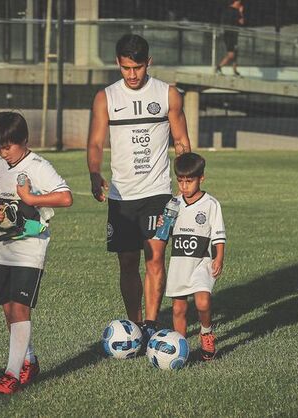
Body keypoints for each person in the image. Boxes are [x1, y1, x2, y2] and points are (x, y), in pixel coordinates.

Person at [87, 34, 191, 346]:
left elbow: (182, 141)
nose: (132, 75)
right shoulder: (106, 98)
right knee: (128, 261)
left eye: (138, 68)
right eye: (125, 68)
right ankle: (133, 325)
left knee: (155, 256)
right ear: (118, 64)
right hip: (121, 196)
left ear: (149, 63)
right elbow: (94, 142)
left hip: (157, 191)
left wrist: (188, 180)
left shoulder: (168, 95)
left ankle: (150, 323)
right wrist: (94, 173)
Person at [0, 111, 72, 394]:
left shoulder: (39, 166)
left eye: (8, 146)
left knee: (20, 308)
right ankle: (29, 361)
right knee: (8, 310)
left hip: (30, 248)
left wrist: (31, 198)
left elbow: (66, 197)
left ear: (24, 140)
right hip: (1, 249)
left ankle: (11, 374)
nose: (3, 152)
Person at [164, 152, 226, 361]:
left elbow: (219, 235)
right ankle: (180, 348)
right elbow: (166, 230)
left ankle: (206, 333)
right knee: (179, 308)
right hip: (179, 262)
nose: (184, 186)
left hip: (202, 261)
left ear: (201, 178)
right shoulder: (174, 203)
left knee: (202, 302)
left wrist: (219, 258)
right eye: (180, 181)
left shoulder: (211, 204)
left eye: (189, 181)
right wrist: (162, 226)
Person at [216, 0, 245, 77]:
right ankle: (218, 67)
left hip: (233, 34)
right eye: (239, 2)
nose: (241, 4)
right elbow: (242, 22)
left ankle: (235, 71)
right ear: (236, 2)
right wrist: (241, 12)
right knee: (231, 54)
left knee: (235, 53)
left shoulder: (227, 10)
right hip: (230, 35)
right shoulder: (236, 11)